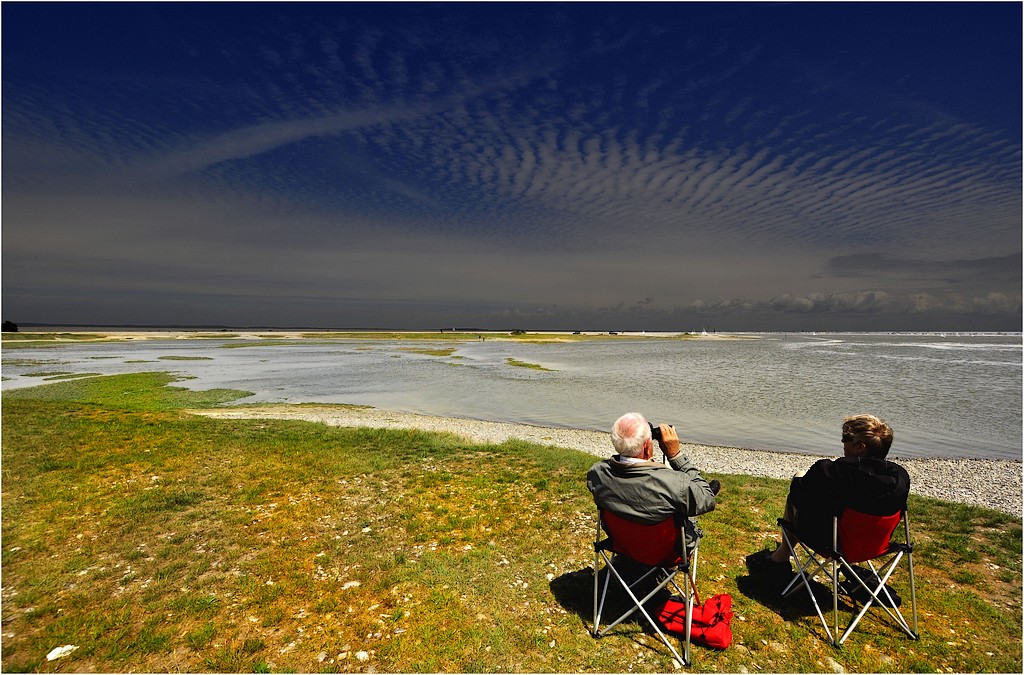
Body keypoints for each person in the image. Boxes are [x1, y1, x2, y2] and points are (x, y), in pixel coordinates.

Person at [763, 414, 910, 567]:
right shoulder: (900, 478)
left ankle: (781, 556)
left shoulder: (833, 472)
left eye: (846, 439)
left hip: (833, 545)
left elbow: (798, 494)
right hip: (874, 548)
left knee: (798, 480)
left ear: (860, 447)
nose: (842, 443)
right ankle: (853, 568)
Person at [586, 412, 718, 550]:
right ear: (646, 446)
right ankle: (697, 488)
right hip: (665, 553)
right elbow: (708, 499)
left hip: (622, 544)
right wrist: (675, 456)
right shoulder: (673, 483)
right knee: (686, 510)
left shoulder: (597, 473)